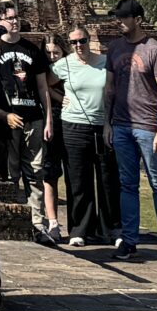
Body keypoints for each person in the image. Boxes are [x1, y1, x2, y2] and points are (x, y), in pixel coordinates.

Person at [105, 0, 157, 261]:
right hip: (122, 125)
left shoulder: (153, 49)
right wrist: (108, 123)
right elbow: (110, 88)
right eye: (117, 17)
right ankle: (129, 239)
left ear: (138, 19)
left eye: (124, 17)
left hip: (148, 125)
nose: (119, 21)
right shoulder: (114, 48)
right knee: (128, 185)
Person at [0, 1, 57, 242]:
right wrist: (3, 113)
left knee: (35, 171)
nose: (14, 21)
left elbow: (43, 88)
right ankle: (13, 219)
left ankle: (36, 223)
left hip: (34, 116)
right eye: (9, 18)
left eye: (16, 17)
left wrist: (48, 118)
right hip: (9, 118)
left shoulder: (31, 50)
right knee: (11, 172)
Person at [53, 23, 117, 246]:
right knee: (78, 179)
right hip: (74, 125)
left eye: (82, 41)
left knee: (107, 179)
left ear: (89, 40)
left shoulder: (105, 63)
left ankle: (111, 229)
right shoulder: (64, 65)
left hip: (102, 125)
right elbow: (45, 83)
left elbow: (112, 91)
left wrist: (110, 122)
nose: (79, 45)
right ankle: (80, 229)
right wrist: (62, 99)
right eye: (74, 42)